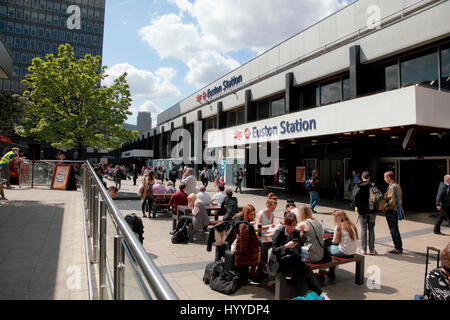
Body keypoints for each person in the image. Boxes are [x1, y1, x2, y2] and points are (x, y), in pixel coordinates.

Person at [268, 212, 329, 300]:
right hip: (279, 261)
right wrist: (286, 246)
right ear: (285, 224)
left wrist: (304, 252)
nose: (292, 228)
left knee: (306, 268)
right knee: (302, 270)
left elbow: (299, 246)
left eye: (294, 225)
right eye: (290, 225)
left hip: (291, 259)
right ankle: (302, 291)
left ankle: (320, 292)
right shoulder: (279, 233)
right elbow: (274, 250)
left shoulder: (296, 232)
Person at [317, 210, 359, 279]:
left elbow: (335, 242)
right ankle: (331, 271)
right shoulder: (351, 225)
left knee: (325, 248)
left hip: (344, 251)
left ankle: (322, 271)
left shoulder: (338, 227)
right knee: (332, 249)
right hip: (353, 251)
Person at [230, 204, 261, 283]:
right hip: (235, 244)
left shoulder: (244, 221)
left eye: (254, 214)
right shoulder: (240, 220)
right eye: (251, 214)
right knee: (258, 249)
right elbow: (243, 240)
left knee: (259, 248)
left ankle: (253, 271)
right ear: (246, 213)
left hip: (240, 243)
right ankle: (253, 271)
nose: (252, 216)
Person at [353, 171, 379, 255]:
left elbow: (354, 200)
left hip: (362, 212)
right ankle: (372, 250)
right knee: (371, 229)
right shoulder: (373, 185)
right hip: (372, 211)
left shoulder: (357, 186)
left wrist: (357, 210)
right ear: (369, 178)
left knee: (363, 229)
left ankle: (363, 250)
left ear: (361, 177)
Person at [383, 171, 403, 254]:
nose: (384, 179)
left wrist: (385, 207)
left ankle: (397, 248)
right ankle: (398, 246)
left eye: (385, 177)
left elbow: (391, 201)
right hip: (395, 210)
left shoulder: (392, 187)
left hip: (391, 211)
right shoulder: (397, 185)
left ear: (388, 177)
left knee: (393, 229)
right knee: (395, 229)